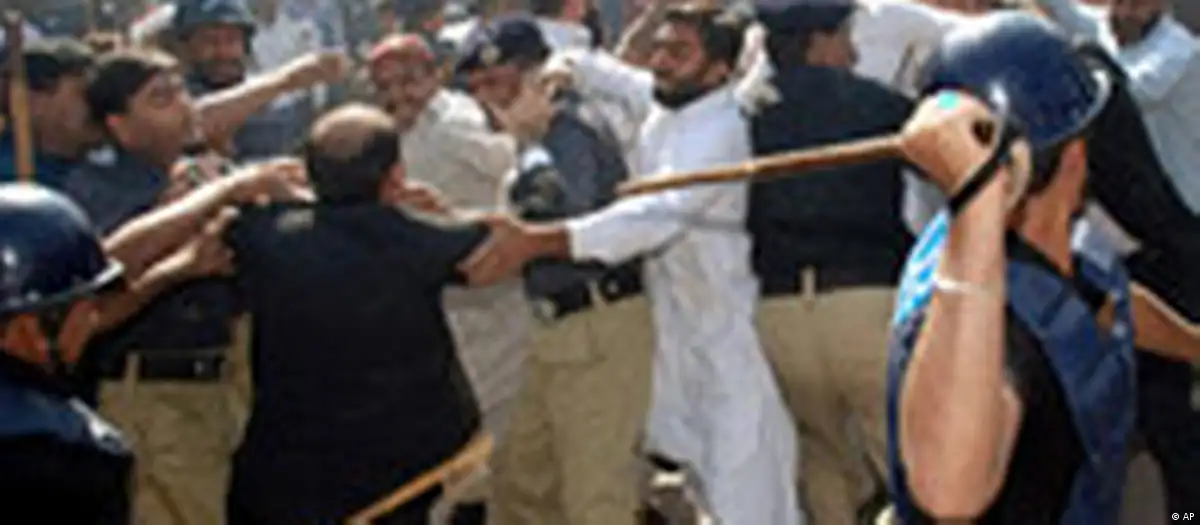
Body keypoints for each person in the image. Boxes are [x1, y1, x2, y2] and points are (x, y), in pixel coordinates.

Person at [459, 4, 801, 524]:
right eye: (659, 48)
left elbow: (655, 218)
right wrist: (568, 66)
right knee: (693, 480)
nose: (660, 62)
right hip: (671, 327)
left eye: (679, 53)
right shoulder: (667, 108)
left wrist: (547, 240)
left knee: (744, 485)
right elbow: (615, 77)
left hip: (728, 330)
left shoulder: (722, 129)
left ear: (718, 70)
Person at [883, 12, 1200, 521]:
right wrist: (979, 196)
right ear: (1076, 155)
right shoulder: (977, 310)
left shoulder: (1050, 253)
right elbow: (947, 495)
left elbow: (1105, 305)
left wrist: (1195, 345)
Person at [134, 103, 485, 524]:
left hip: (290, 475)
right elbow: (487, 242)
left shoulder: (264, 236)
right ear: (396, 174)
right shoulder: (422, 241)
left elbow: (185, 237)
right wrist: (441, 215)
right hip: (412, 470)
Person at [453, 16, 655, 525]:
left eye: (501, 85)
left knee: (595, 497)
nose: (490, 101)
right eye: (478, 89)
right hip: (553, 328)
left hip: (600, 323)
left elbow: (558, 215)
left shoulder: (570, 131)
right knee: (520, 482)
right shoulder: (530, 139)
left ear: (536, 76)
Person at [746, 1, 915, 523]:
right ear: (819, 41)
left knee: (822, 460)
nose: (854, 50)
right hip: (865, 306)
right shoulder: (877, 105)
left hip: (779, 318)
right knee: (911, 467)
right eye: (844, 36)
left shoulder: (744, 113)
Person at [1030, 0, 1200, 512]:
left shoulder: (1181, 54)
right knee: (1159, 400)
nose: (1126, 6)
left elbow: (1121, 90)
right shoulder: (1107, 34)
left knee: (1174, 404)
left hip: (1186, 243)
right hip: (1141, 247)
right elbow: (1069, 18)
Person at [368, 32, 529, 443]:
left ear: (434, 76)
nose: (397, 95)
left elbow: (511, 162)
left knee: (491, 420)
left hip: (485, 292)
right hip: (438, 301)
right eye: (385, 86)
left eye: (408, 81)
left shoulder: (452, 124)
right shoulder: (391, 131)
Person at [0, 38, 102, 188]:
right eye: (81, 92)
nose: (97, 104)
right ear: (34, 101)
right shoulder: (10, 179)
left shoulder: (107, 168)